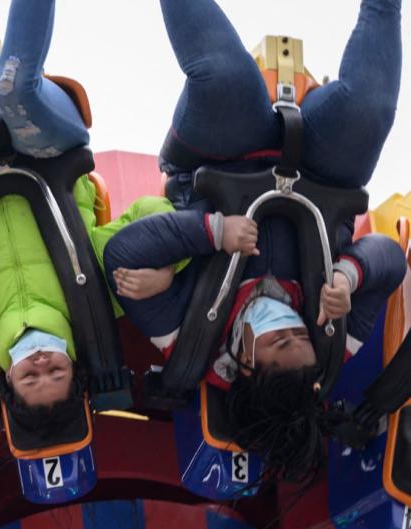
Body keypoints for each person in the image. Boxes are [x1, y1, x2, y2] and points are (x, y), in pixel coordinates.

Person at [102, 0, 406, 482]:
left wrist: (211, 234)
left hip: (224, 159)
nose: (291, 325)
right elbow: (391, 261)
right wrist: (351, 275)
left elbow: (119, 255)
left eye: (279, 339)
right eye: (299, 335)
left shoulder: (188, 340)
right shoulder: (333, 343)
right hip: (322, 173)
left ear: (244, 363)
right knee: (372, 108)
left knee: (225, 77)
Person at [0, 0, 175, 439]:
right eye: (56, 375)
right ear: (74, 368)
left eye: (30, 379)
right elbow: (152, 215)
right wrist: (166, 270)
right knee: (14, 89)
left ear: (7, 380)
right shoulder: (103, 296)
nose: (42, 367)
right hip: (46, 149)